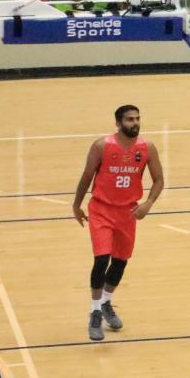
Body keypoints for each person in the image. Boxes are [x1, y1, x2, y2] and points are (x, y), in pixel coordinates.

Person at [69, 104, 165, 343]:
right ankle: (94, 311)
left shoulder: (147, 148)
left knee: (120, 262)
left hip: (128, 213)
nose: (135, 123)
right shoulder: (102, 146)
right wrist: (76, 204)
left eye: (137, 119)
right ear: (118, 123)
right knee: (102, 259)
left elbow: (159, 180)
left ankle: (106, 303)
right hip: (101, 210)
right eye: (130, 119)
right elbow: (86, 176)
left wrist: (148, 203)